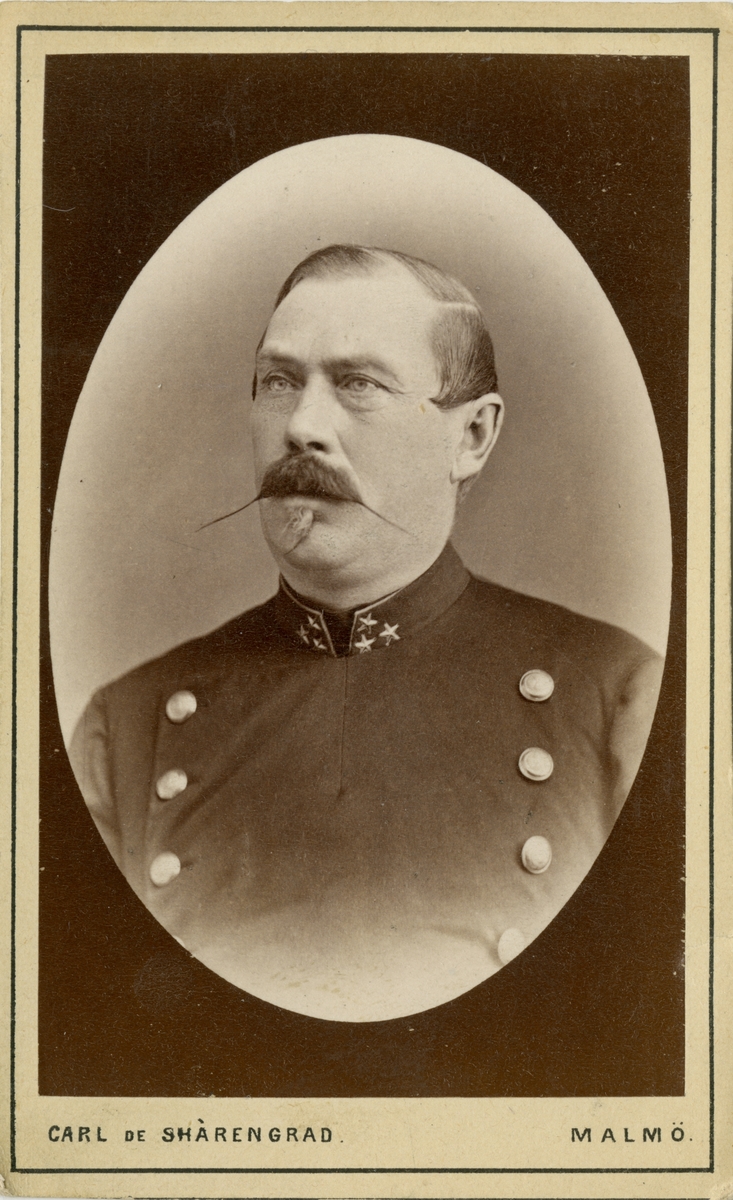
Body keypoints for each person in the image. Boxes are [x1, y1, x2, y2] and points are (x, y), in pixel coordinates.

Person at [69, 244, 664, 1022]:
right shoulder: (129, 726)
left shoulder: (618, 699)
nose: (302, 427)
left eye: (359, 384)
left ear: (471, 437)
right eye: (278, 382)